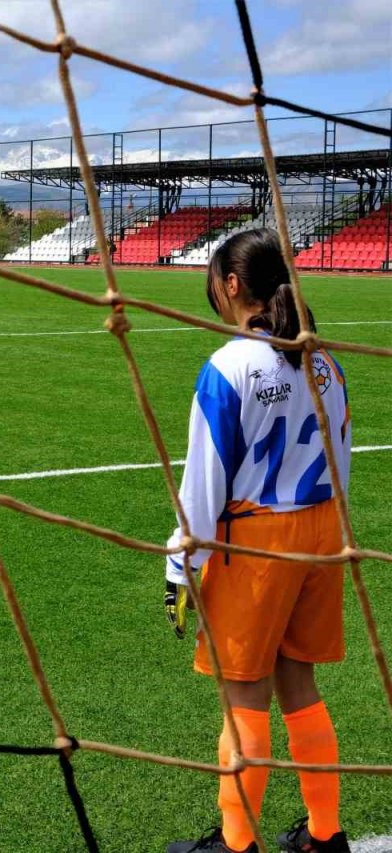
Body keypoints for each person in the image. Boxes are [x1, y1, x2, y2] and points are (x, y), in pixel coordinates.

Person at [164, 230, 352, 853]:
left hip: (257, 539)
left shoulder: (230, 365)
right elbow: (341, 459)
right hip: (322, 531)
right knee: (299, 685)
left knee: (244, 694)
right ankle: (325, 836)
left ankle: (237, 844)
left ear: (232, 285)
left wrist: (181, 564)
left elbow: (204, 481)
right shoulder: (324, 358)